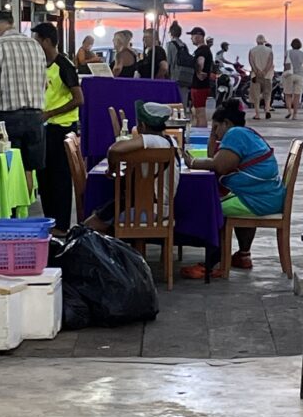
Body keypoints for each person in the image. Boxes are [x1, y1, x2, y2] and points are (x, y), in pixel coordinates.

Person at [179, 98, 286, 279]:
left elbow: (219, 165)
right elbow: (215, 157)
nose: (215, 133)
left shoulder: (235, 134)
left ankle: (214, 263)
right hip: (265, 196)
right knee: (228, 203)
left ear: (226, 123)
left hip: (257, 200)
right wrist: (214, 136)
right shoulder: (246, 133)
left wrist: (193, 162)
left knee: (212, 209)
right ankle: (243, 256)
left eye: (216, 128)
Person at [0, 9, 48, 197]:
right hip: (36, 116)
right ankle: (26, 211)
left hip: (10, 117)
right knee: (28, 168)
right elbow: (45, 83)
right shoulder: (34, 45)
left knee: (10, 165)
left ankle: (12, 212)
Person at [85, 101, 180, 232]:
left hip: (145, 209)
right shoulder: (170, 141)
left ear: (142, 125)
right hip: (163, 209)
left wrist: (112, 169)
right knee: (108, 210)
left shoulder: (152, 140)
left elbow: (114, 150)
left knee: (90, 225)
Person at [32, 22, 84, 234]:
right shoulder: (40, 65)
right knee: (44, 177)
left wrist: (51, 113)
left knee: (60, 179)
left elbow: (79, 99)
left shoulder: (64, 65)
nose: (34, 45)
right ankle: (49, 222)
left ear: (46, 41)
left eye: (36, 40)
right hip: (44, 127)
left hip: (61, 128)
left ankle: (61, 226)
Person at [189, 25, 214, 127]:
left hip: (200, 86)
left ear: (199, 36)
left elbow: (200, 62)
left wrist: (199, 72)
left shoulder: (202, 50)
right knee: (196, 112)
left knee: (200, 112)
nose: (191, 38)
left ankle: (201, 133)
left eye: (192, 35)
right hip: (198, 85)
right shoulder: (203, 50)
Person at [166, 21, 194, 107]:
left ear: (171, 33)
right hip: (185, 74)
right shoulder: (184, 45)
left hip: (175, 74)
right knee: (184, 96)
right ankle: (184, 113)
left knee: (174, 98)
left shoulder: (170, 44)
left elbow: (169, 61)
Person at [248, 34, 274, 121]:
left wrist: (257, 71)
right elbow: (270, 63)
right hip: (267, 76)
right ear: (264, 42)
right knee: (267, 94)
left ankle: (257, 114)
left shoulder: (252, 51)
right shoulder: (269, 51)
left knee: (256, 95)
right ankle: (267, 109)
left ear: (256, 41)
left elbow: (251, 62)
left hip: (255, 76)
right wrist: (264, 71)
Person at [282, 38, 303, 120]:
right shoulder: (302, 54)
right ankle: (295, 114)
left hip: (289, 75)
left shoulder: (288, 52)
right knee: (297, 95)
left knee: (288, 94)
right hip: (299, 75)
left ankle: (289, 111)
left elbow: (285, 64)